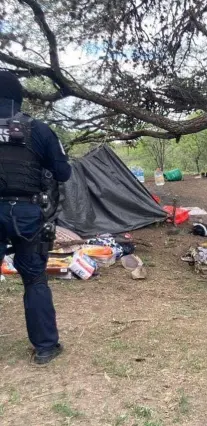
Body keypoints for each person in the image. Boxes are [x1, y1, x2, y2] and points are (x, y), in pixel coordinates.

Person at [0, 70, 72, 364]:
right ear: (19, 98)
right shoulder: (38, 130)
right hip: (27, 213)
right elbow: (63, 173)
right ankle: (45, 348)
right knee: (34, 279)